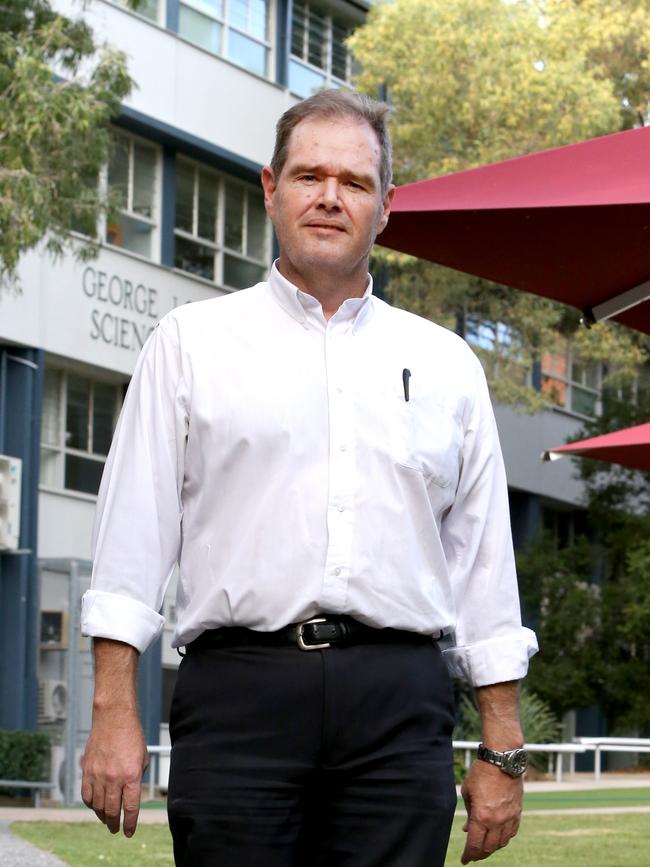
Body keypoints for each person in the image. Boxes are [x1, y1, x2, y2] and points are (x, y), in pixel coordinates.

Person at [81, 89, 538, 867]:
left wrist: (503, 742)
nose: (330, 197)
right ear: (270, 187)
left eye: (355, 183)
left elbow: (484, 563)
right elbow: (132, 538)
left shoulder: (447, 366)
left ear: (386, 206)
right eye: (309, 176)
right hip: (238, 700)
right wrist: (112, 709)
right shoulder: (189, 344)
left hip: (400, 706)